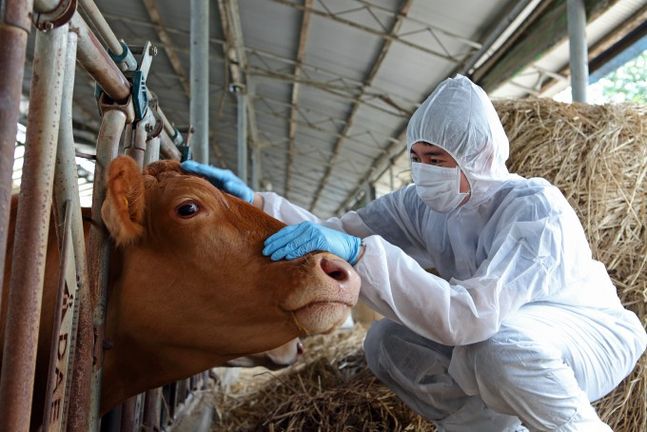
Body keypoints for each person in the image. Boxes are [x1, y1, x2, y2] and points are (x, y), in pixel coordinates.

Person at [182, 75, 646, 431]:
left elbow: (471, 318)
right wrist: (253, 206)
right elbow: (334, 232)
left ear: (478, 155)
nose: (424, 171)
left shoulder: (534, 210)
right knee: (386, 342)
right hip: (502, 327)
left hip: (588, 334)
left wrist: (363, 255)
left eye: (438, 160)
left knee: (498, 349)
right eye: (417, 157)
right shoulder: (420, 203)